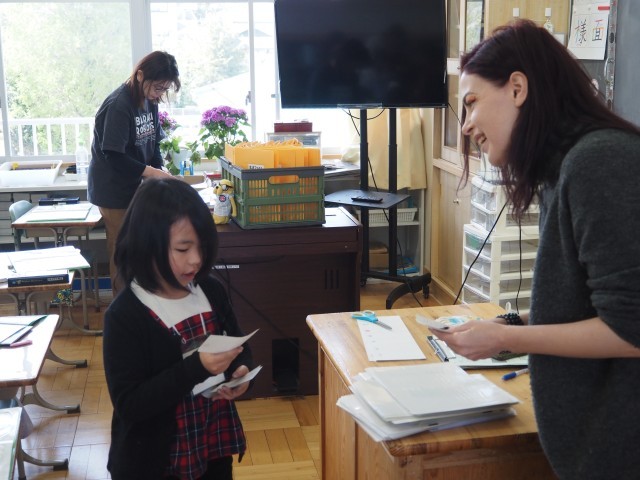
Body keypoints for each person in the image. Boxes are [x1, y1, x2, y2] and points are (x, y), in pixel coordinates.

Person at [429, 19, 640, 479]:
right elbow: (593, 304)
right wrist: (511, 321)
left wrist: (507, 339)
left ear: (518, 88)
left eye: (472, 103)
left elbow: (630, 329)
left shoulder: (599, 161)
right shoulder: (562, 170)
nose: (465, 126)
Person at [102, 178, 253, 480]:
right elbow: (130, 404)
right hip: (156, 462)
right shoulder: (125, 315)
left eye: (202, 247)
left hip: (211, 443)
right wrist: (197, 367)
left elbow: (239, 345)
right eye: (183, 249)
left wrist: (241, 371)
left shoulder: (210, 291)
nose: (196, 259)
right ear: (147, 246)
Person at [89, 50, 178, 297]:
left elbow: (153, 142)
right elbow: (113, 155)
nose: (159, 94)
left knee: (142, 247)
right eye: (157, 87)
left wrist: (160, 169)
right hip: (114, 190)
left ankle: (142, 303)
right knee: (123, 250)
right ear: (140, 76)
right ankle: (122, 307)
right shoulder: (119, 105)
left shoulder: (150, 101)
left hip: (138, 186)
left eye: (164, 89)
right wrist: (152, 173)